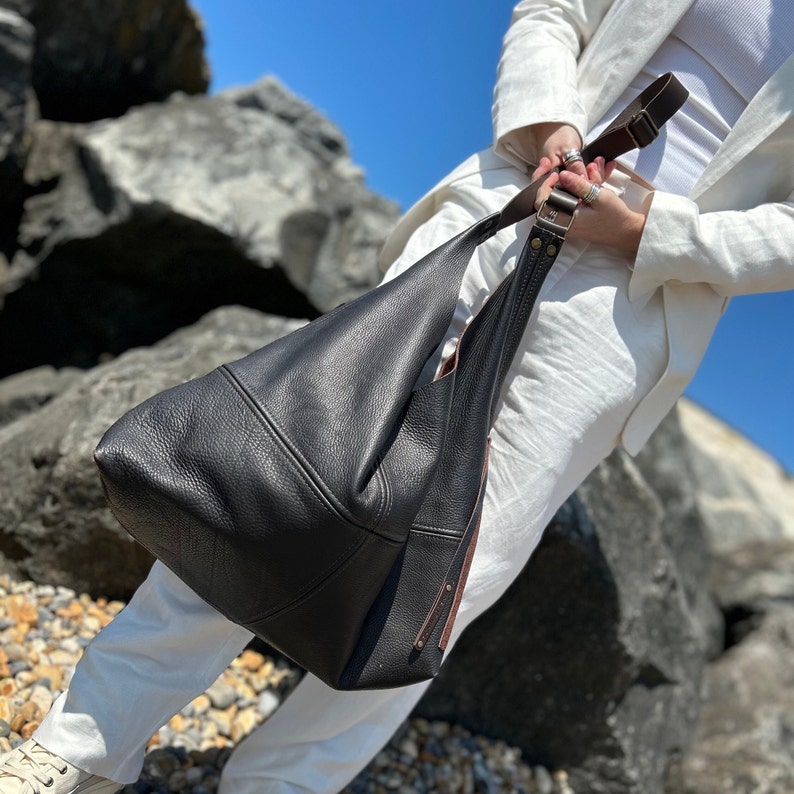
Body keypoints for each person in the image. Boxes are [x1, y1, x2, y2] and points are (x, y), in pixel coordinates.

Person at [2, 0, 792, 792]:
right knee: (283, 472)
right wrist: (548, 127)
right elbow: (552, 11)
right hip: (516, 194)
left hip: (638, 300)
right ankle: (82, 747)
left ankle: (282, 785)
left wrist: (650, 232)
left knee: (450, 583)